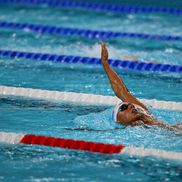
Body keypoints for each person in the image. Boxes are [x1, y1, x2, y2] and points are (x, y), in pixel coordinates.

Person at [101, 42, 169, 127]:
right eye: (123, 108)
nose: (131, 106)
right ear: (118, 120)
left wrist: (105, 63)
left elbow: (121, 91)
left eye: (131, 105)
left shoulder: (147, 117)